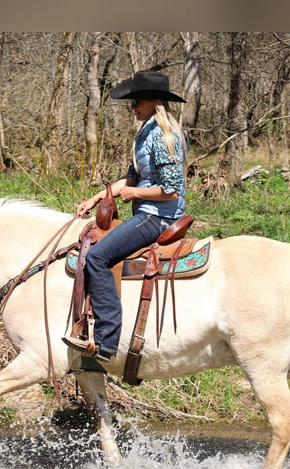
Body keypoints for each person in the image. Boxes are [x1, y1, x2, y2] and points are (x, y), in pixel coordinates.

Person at [63, 69, 188, 362]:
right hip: (147, 210)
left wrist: (136, 195)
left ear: (155, 102)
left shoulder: (163, 136)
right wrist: (97, 197)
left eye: (138, 102)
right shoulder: (146, 133)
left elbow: (170, 189)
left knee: (97, 257)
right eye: (131, 102)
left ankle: (107, 340)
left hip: (157, 216)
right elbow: (130, 181)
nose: (133, 107)